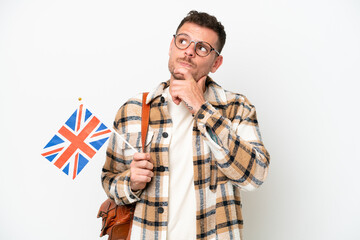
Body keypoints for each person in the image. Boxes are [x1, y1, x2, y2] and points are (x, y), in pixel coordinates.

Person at [101, 10, 270, 240]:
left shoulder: (236, 108)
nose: (189, 51)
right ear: (172, 46)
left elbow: (255, 176)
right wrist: (131, 182)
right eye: (183, 41)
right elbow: (109, 179)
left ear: (216, 63)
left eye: (202, 48)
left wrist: (202, 108)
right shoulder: (132, 110)